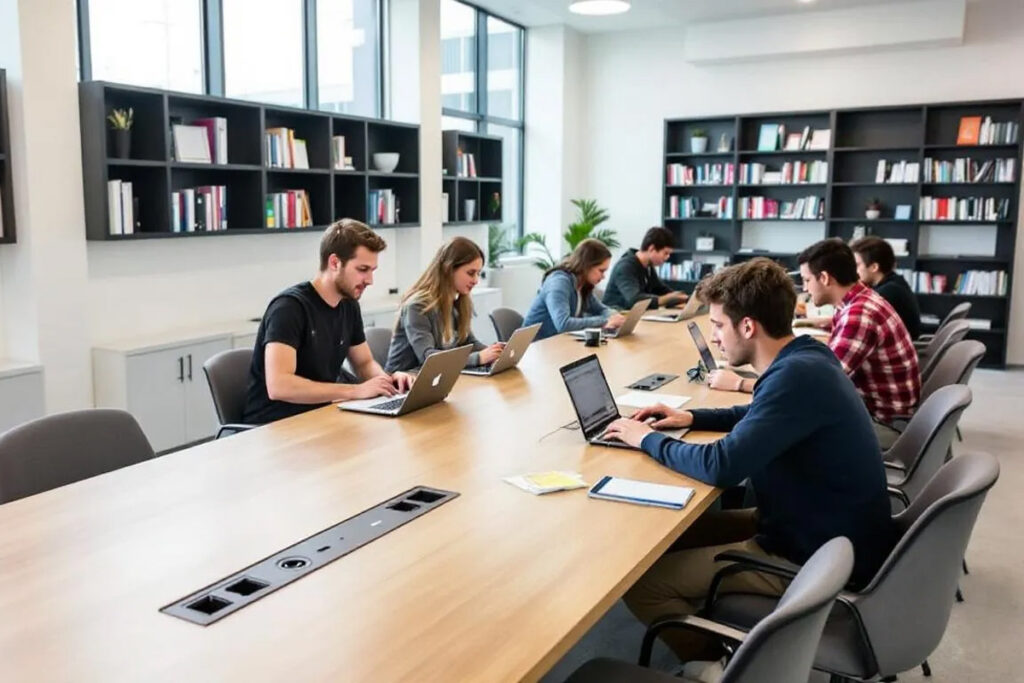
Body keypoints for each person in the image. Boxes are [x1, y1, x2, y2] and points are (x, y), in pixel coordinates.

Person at [601, 258, 895, 663]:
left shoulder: (794, 377)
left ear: (748, 327)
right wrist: (693, 417)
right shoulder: (806, 357)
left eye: (718, 325)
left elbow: (722, 466)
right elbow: (762, 412)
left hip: (809, 556)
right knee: (677, 536)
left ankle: (720, 666)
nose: (714, 337)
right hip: (818, 525)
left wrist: (647, 439)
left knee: (642, 586)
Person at [243, 219, 414, 424]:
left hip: (320, 415)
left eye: (372, 270)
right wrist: (355, 391)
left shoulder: (349, 305)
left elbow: (364, 363)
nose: (370, 280)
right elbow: (279, 386)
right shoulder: (289, 308)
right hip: (274, 425)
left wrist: (388, 383)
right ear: (334, 263)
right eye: (362, 269)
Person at [797, 238, 920, 425]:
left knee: (790, 417)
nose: (805, 288)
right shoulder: (858, 300)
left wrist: (756, 382)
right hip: (874, 407)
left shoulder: (859, 314)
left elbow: (823, 382)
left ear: (824, 278)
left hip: (881, 421)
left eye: (807, 280)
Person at [384, 237, 505, 372]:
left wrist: (494, 352)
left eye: (478, 273)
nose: (476, 280)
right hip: (404, 380)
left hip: (436, 377)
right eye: (471, 273)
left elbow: (469, 342)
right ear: (448, 269)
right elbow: (428, 357)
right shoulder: (417, 306)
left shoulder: (457, 301)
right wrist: (479, 358)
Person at [523, 239, 626, 340]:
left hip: (560, 343)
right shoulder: (559, 282)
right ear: (587, 265)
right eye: (601, 271)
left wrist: (614, 316)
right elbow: (563, 324)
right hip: (536, 346)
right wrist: (605, 321)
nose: (603, 276)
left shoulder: (582, 285)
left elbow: (601, 309)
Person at [850, 236, 922, 339]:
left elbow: (856, 323)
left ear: (874, 267)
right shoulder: (894, 283)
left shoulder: (888, 292)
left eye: (857, 265)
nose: (853, 270)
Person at [602, 226, 688, 311]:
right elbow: (635, 299)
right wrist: (666, 299)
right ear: (652, 249)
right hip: (616, 315)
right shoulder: (625, 267)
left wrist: (683, 297)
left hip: (636, 315)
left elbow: (660, 289)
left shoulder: (648, 266)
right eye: (665, 253)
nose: (667, 257)